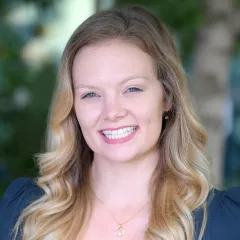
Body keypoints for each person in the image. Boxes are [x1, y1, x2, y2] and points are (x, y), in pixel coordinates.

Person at [0, 6, 240, 240]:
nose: (112, 112)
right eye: (91, 94)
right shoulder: (23, 211)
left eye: (132, 89)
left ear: (167, 97)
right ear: (72, 107)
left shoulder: (228, 221)